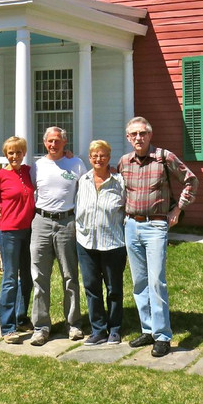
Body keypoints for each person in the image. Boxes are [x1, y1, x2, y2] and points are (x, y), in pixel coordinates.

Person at [117, 116, 198, 357]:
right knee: (139, 281)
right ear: (128, 138)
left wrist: (178, 209)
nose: (138, 138)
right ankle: (148, 329)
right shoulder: (124, 162)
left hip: (155, 227)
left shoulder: (164, 157)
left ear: (150, 135)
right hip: (131, 225)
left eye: (142, 133)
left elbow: (191, 180)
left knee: (156, 282)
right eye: (134, 134)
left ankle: (162, 336)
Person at [28, 126, 86, 346]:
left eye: (57, 141)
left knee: (70, 275)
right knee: (39, 277)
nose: (54, 145)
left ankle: (73, 324)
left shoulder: (76, 163)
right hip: (41, 222)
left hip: (67, 222)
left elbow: (87, 187)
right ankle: (41, 327)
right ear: (45, 143)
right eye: (50, 141)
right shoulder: (37, 166)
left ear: (65, 142)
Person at [0, 136, 35, 343]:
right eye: (11, 153)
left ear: (24, 153)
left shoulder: (28, 172)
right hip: (9, 233)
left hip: (28, 231)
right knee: (10, 279)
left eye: (18, 152)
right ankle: (8, 327)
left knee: (27, 278)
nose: (15, 156)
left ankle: (21, 317)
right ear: (6, 154)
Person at [74, 140, 127, 345]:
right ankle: (98, 329)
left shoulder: (119, 182)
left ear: (109, 157)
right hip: (86, 242)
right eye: (95, 155)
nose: (99, 159)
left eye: (103, 155)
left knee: (114, 288)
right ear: (89, 158)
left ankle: (115, 329)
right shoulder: (83, 180)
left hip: (113, 243)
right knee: (91, 286)